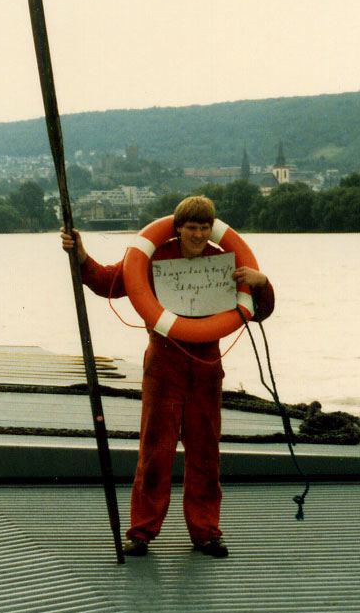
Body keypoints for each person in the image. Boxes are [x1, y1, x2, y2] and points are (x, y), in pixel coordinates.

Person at [61, 195, 274, 558]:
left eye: (204, 228)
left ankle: (206, 532)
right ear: (178, 228)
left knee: (206, 453)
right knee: (155, 453)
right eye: (191, 227)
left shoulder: (224, 263)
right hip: (163, 366)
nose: (198, 234)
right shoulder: (155, 256)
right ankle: (141, 531)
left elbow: (260, 313)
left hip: (206, 367)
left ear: (212, 230)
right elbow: (107, 282)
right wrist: (79, 254)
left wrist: (262, 282)